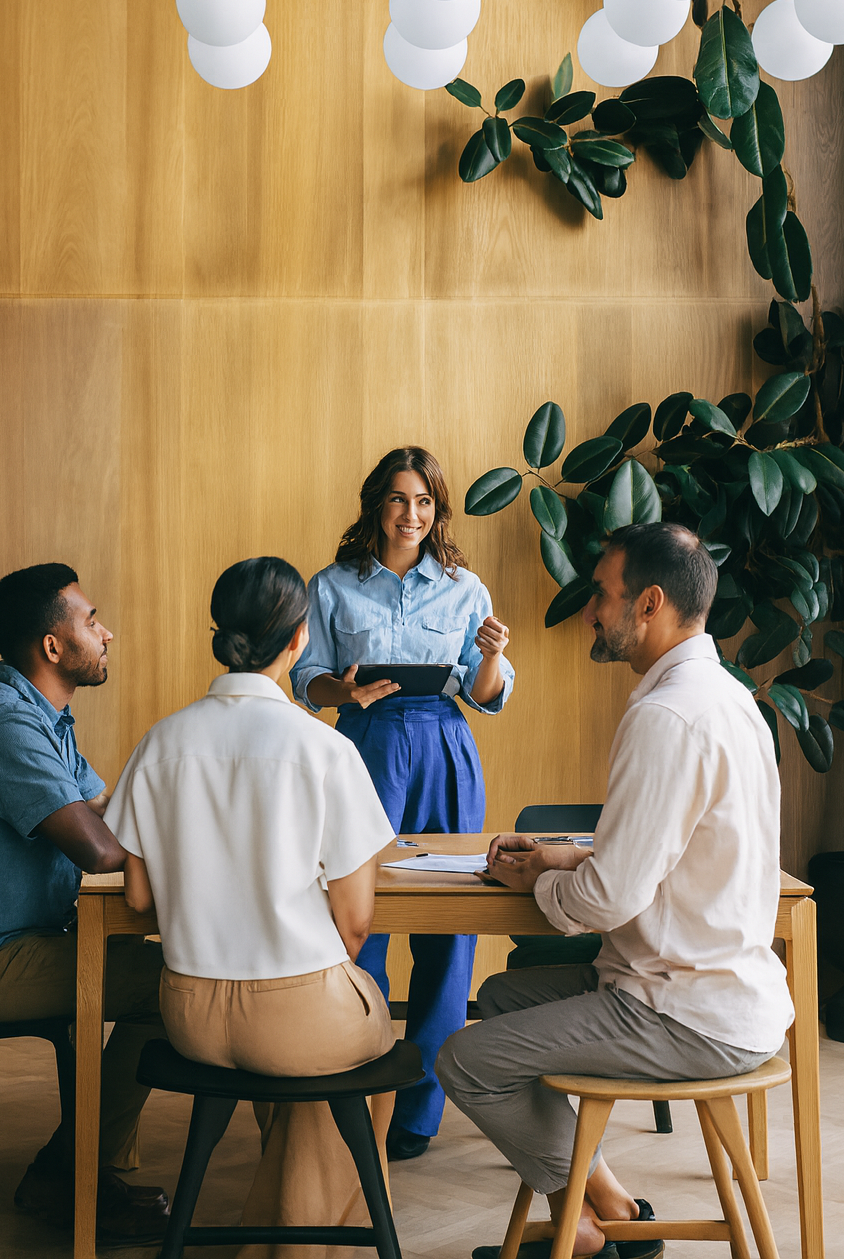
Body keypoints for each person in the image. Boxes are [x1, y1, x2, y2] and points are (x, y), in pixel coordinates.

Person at [436, 522, 795, 1259]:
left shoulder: (664, 715)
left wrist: (541, 880)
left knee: (463, 1059)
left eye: (602, 596)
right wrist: (567, 855)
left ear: (649, 604)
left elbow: (606, 904)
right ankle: (608, 1210)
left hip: (684, 1011)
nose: (591, 611)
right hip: (725, 989)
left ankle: (595, 1223)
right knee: (503, 998)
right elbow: (669, 847)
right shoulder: (729, 700)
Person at [104, 557, 398, 1249]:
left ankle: (274, 1228)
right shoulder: (323, 748)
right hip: (298, 1016)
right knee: (356, 1044)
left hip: (189, 1017)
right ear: (300, 641)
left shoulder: (159, 743)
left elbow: (139, 897)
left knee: (304, 1055)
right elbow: (354, 926)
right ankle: (288, 1242)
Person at [0, 563, 169, 1246]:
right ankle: (67, 1176)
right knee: (175, 985)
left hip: (2, 947)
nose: (106, 634)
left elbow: (108, 812)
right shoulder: (6, 726)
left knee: (159, 967)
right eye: (91, 620)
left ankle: (78, 1167)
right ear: (53, 647)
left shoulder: (41, 719)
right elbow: (101, 852)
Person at [291, 445, 514, 1161]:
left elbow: (488, 699)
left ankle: (418, 1112)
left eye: (423, 502)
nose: (409, 514)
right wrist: (343, 691)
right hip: (362, 747)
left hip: (446, 747)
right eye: (396, 499)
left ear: (438, 510)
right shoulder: (331, 585)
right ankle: (361, 1089)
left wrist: (490, 659)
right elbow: (305, 679)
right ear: (374, 505)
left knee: (450, 932)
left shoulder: (464, 587)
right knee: (362, 922)